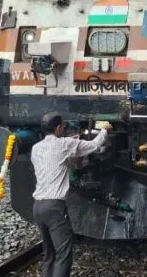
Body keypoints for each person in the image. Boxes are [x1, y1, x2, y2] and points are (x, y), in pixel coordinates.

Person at [31, 113, 112, 277]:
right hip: (54, 207)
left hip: (37, 207)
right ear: (58, 128)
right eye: (63, 127)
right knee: (63, 254)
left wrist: (72, 143)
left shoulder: (36, 148)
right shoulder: (65, 144)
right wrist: (104, 130)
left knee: (49, 254)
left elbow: (54, 160)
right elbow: (94, 145)